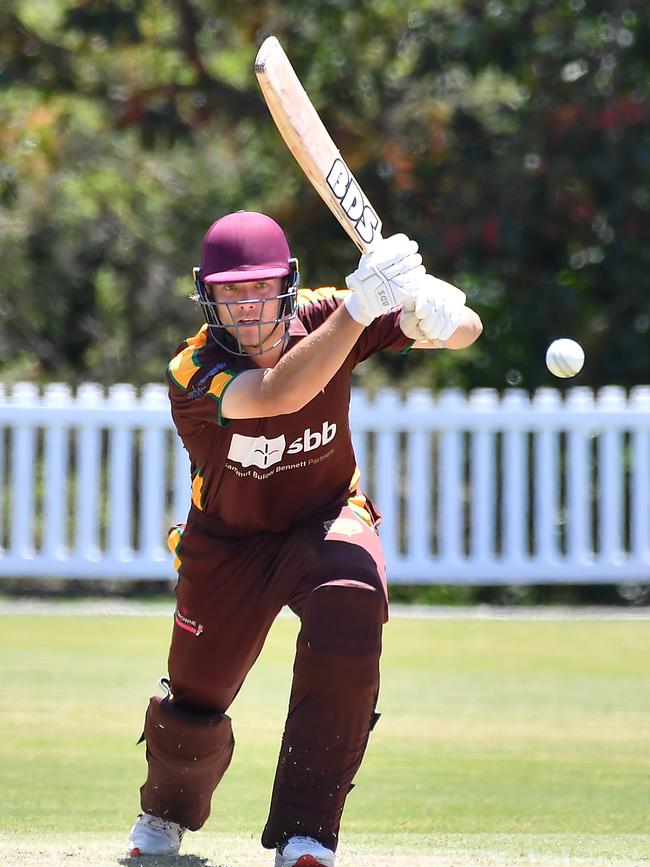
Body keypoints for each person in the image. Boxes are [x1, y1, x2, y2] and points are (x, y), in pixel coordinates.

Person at [126, 210, 482, 866]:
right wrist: (364, 309)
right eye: (230, 290)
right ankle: (164, 812)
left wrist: (435, 312)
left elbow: (467, 330)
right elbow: (281, 393)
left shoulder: (329, 310)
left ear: (286, 284)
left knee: (352, 596)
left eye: (259, 286)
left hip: (325, 514)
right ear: (207, 294)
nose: (247, 304)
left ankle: (307, 834)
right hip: (229, 541)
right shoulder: (193, 367)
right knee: (197, 692)